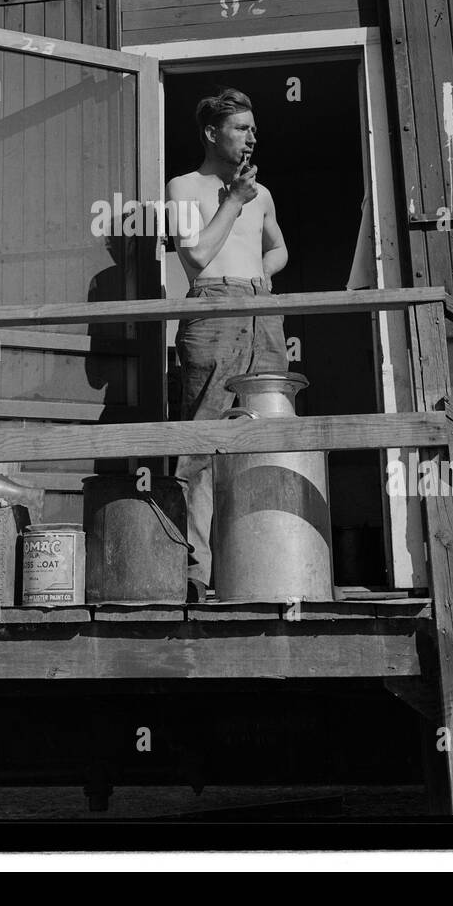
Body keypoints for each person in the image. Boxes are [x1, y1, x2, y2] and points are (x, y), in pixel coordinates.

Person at [165, 88, 289, 600]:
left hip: (261, 311)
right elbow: (193, 257)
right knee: (202, 447)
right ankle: (196, 576)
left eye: (253, 129)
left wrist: (261, 274)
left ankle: (268, 566)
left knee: (270, 440)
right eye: (240, 127)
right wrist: (232, 202)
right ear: (211, 133)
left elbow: (279, 247)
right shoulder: (183, 186)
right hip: (212, 310)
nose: (250, 137)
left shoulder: (263, 194)